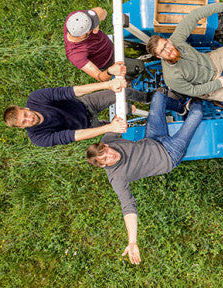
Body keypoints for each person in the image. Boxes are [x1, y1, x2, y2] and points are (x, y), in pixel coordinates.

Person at [86, 91, 203, 265]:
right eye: (105, 159)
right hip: (170, 155)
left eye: (106, 151)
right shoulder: (117, 178)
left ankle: (180, 108)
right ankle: (198, 100)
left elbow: (117, 121)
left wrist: (121, 103)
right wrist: (132, 241)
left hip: (153, 138)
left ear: (105, 145)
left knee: (158, 97)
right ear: (103, 166)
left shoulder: (109, 139)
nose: (110, 155)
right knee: (197, 113)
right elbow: (128, 207)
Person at [145, 0, 223, 109]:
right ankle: (221, 102)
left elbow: (193, 16)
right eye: (162, 51)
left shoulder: (176, 39)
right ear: (159, 56)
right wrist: (218, 83)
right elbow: (194, 91)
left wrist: (222, 6)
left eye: (165, 45)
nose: (168, 50)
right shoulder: (171, 78)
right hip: (208, 85)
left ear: (168, 40)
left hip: (211, 61)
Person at [3, 79, 149, 147]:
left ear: (25, 108)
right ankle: (146, 126)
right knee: (122, 132)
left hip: (84, 104)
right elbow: (73, 136)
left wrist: (107, 85)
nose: (29, 119)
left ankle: (149, 98)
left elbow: (71, 91)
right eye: (24, 122)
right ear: (22, 128)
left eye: (25, 114)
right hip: (86, 126)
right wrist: (109, 127)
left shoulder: (36, 98)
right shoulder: (38, 138)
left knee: (122, 92)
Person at [64, 7, 144, 82]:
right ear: (83, 35)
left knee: (140, 47)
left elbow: (103, 11)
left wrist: (96, 24)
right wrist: (110, 72)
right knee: (139, 66)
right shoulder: (76, 55)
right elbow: (100, 77)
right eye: (91, 27)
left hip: (110, 44)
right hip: (109, 61)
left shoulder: (76, 18)